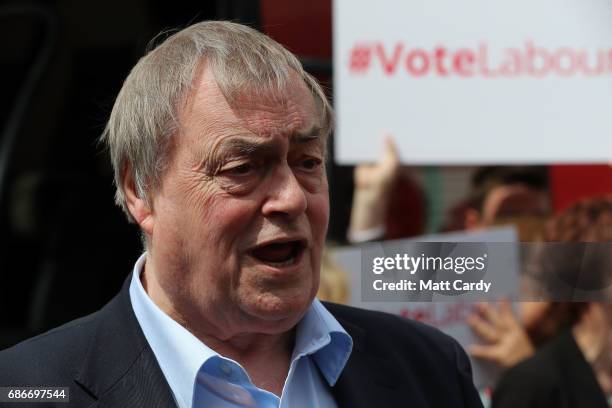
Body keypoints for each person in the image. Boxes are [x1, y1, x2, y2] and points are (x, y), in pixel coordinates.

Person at [0, 21, 483, 408]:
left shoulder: (430, 369)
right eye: (243, 167)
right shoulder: (27, 389)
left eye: (308, 162)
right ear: (139, 189)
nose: (292, 199)